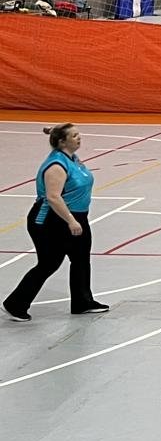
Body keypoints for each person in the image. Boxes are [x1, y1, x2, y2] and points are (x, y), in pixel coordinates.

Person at [3, 124, 109, 320]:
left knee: (80, 259)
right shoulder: (56, 166)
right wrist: (71, 221)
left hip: (77, 216)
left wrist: (54, 129)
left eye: (78, 134)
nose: (79, 138)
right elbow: (53, 197)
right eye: (74, 136)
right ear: (62, 142)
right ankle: (15, 304)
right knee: (49, 263)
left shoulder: (71, 158)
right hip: (53, 219)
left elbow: (60, 134)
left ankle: (82, 302)